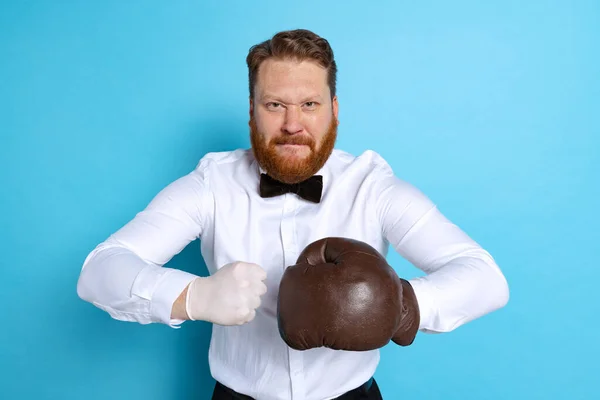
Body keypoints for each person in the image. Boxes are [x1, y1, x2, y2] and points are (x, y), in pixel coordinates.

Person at [77, 29, 509, 400]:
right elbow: (100, 269)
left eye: (309, 104)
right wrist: (193, 296)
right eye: (274, 105)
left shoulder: (373, 186)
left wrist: (400, 306)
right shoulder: (210, 185)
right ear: (251, 111)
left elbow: (485, 277)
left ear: (334, 111)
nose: (292, 124)